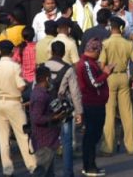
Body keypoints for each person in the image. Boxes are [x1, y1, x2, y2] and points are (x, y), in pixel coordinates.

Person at [0, 39, 38, 174]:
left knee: (3, 139)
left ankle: (8, 169)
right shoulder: (15, 66)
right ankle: (32, 166)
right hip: (14, 102)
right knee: (23, 136)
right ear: (12, 52)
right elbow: (21, 86)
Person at [99, 16, 133, 155]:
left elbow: (101, 65)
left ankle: (108, 148)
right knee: (127, 113)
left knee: (109, 114)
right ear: (122, 29)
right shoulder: (128, 43)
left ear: (110, 28)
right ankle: (131, 147)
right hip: (124, 76)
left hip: (110, 78)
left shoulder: (105, 43)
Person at [45, 40, 83, 177]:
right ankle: (68, 172)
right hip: (63, 109)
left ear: (51, 52)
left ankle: (49, 172)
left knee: (47, 143)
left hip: (46, 108)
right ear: (63, 53)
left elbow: (35, 89)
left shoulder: (43, 67)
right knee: (66, 142)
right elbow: (75, 92)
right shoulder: (68, 69)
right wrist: (79, 112)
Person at [77, 37, 110, 177]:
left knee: (91, 136)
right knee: (92, 136)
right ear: (95, 50)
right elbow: (94, 83)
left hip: (95, 102)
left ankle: (90, 165)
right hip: (92, 103)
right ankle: (89, 166)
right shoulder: (86, 64)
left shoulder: (88, 63)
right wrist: (106, 73)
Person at [30, 65, 68, 177]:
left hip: (48, 139)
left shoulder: (39, 92)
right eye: (50, 78)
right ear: (47, 78)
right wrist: (55, 117)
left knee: (49, 172)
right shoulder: (40, 95)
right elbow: (37, 118)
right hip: (44, 140)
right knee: (41, 171)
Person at [13, 25, 38, 93]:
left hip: (24, 80)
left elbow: (13, 62)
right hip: (35, 79)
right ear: (33, 36)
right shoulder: (37, 47)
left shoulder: (20, 49)